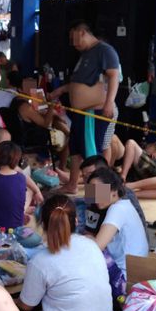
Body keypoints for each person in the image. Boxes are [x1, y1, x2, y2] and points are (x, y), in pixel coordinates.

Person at [17, 194, 115, 311]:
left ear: (43, 226)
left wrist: (8, 300)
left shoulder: (40, 262)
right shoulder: (92, 245)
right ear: (76, 221)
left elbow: (26, 306)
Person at [49, 21, 120, 193]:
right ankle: (73, 184)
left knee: (92, 154)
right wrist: (61, 90)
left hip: (94, 112)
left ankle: (98, 196)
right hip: (81, 113)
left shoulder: (104, 50)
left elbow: (114, 76)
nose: (73, 44)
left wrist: (110, 102)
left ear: (82, 32)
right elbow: (79, 83)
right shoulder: (86, 54)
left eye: (74, 38)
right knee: (76, 149)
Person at [86, 167, 148, 279]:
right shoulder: (124, 205)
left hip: (125, 276)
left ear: (114, 191)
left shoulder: (117, 209)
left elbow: (96, 247)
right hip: (135, 270)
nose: (95, 198)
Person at [80, 154, 147, 232]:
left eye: (90, 175)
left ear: (103, 173)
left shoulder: (121, 198)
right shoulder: (94, 190)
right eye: (84, 177)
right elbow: (90, 225)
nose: (87, 181)